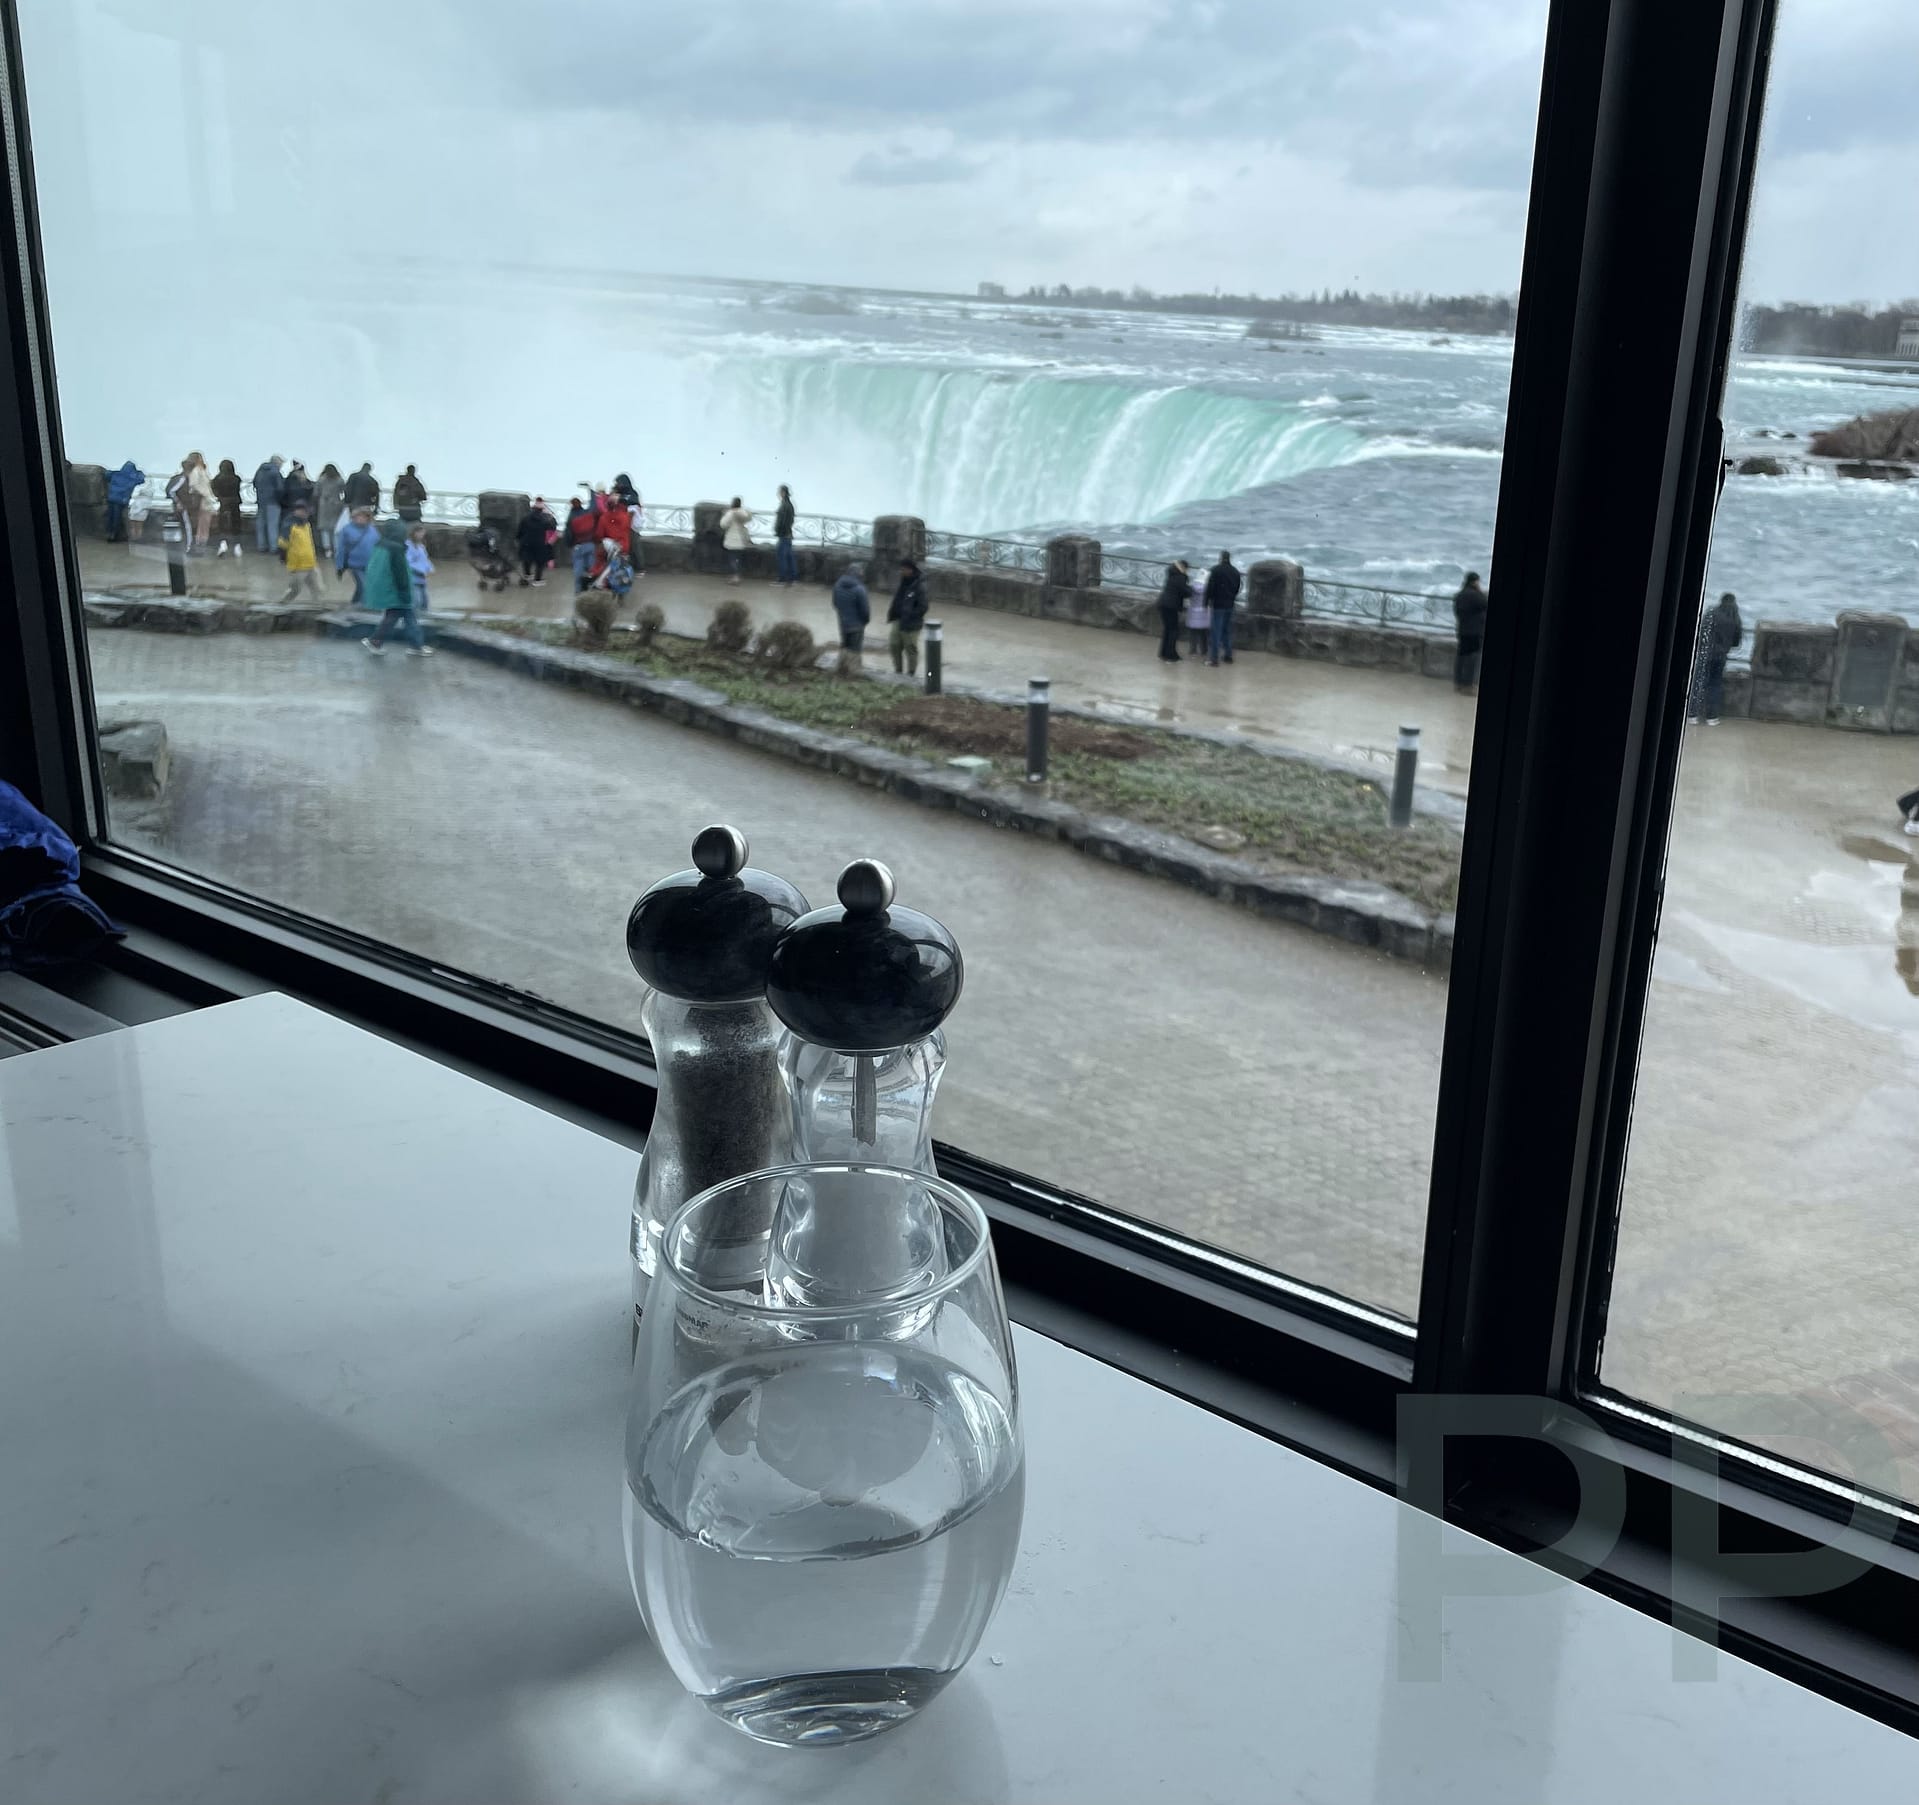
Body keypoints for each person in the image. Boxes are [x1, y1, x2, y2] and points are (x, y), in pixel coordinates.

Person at [361, 519, 430, 656]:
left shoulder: (381, 545)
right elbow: (401, 573)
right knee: (403, 616)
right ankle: (377, 641)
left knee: (398, 617)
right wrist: (405, 592)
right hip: (396, 591)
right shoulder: (396, 549)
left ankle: (378, 641)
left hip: (388, 589)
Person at [1689, 590, 1742, 725]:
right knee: (1715, 684)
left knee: (1699, 681)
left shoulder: (1712, 613)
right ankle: (1711, 717)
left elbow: (1702, 632)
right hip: (1721, 656)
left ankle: (1693, 714)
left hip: (1705, 653)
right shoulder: (1735, 618)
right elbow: (1736, 642)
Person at [887, 556, 929, 674]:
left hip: (912, 623)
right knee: (894, 644)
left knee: (910, 648)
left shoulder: (920, 586)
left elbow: (924, 606)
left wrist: (910, 614)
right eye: (901, 569)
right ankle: (898, 670)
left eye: (904, 569)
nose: (902, 571)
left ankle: (911, 673)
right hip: (898, 619)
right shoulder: (903, 581)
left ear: (911, 569)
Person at [334, 504, 380, 607]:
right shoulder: (346, 530)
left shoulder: (373, 530)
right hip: (355, 565)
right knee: (365, 587)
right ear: (353, 517)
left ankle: (354, 604)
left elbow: (378, 546)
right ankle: (363, 608)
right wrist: (339, 566)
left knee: (362, 588)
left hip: (370, 565)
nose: (362, 519)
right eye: (359, 516)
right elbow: (341, 549)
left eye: (365, 516)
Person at [1452, 571, 1489, 694]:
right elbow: (1485, 603)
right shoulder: (1475, 595)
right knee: (1472, 659)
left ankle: (1458, 683)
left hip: (1463, 630)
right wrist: (1480, 591)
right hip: (1474, 631)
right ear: (1475, 581)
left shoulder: (1460, 594)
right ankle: (1468, 685)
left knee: (1461, 657)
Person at [277, 502, 322, 602]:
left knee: (318, 588)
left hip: (311, 563)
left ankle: (318, 608)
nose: (307, 514)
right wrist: (283, 558)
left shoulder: (306, 524)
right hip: (298, 565)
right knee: (295, 589)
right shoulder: (289, 525)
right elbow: (283, 543)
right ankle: (281, 605)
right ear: (297, 511)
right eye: (304, 511)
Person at [1206, 550, 1241, 665]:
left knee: (1216, 631)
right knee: (1226, 630)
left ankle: (1214, 659)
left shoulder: (1215, 570)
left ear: (1220, 558)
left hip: (1218, 604)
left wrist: (1206, 601)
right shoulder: (1235, 572)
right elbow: (1237, 588)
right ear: (1229, 558)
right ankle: (1228, 655)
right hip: (1230, 604)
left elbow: (1210, 588)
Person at [1155, 559, 1191, 662]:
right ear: (1183, 568)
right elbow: (1185, 591)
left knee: (1167, 629)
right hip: (1171, 606)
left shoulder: (1172, 574)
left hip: (1163, 604)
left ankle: (1163, 653)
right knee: (1174, 630)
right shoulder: (1181, 577)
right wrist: (1193, 590)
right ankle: (1170, 655)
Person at [516, 496, 557, 586]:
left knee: (526, 559)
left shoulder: (525, 518)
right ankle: (537, 580)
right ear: (542, 509)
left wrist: (519, 539)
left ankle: (527, 575)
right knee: (540, 562)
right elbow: (552, 528)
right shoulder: (545, 520)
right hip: (540, 543)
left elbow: (519, 531)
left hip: (526, 542)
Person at [210, 458, 245, 558]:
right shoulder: (236, 478)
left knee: (223, 525)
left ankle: (223, 544)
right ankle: (237, 547)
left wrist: (220, 497)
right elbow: (237, 490)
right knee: (236, 524)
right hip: (235, 503)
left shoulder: (217, 479)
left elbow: (214, 490)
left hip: (223, 503)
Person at [832, 562, 870, 653]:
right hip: (857, 627)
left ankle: (843, 666)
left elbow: (835, 603)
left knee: (844, 650)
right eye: (861, 572)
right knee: (855, 654)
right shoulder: (860, 589)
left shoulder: (837, 585)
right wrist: (864, 622)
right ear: (858, 573)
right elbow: (865, 611)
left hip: (843, 625)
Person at [566, 495, 600, 593]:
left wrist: (570, 544)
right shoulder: (587, 513)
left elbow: (568, 534)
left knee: (578, 570)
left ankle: (578, 590)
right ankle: (593, 589)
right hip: (590, 544)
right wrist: (591, 492)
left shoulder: (571, 517)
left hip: (578, 546)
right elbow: (594, 506)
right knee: (592, 568)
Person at [252, 454, 285, 554]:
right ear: (277, 462)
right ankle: (273, 547)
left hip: (261, 502)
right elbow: (280, 488)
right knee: (272, 525)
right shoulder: (275, 472)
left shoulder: (260, 470)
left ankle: (261, 546)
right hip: (273, 502)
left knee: (261, 525)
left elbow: (254, 483)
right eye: (281, 463)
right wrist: (280, 500)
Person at [104, 460, 143, 541]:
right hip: (122, 500)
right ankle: (115, 535)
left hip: (111, 498)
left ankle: (110, 534)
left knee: (111, 517)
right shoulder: (133, 477)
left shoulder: (117, 474)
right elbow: (141, 479)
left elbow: (106, 475)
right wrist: (139, 472)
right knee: (117, 518)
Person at [314, 463, 346, 557]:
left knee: (324, 529)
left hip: (323, 505)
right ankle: (336, 549)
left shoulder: (321, 480)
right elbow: (345, 492)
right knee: (335, 529)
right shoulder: (339, 480)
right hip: (336, 505)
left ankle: (327, 549)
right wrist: (341, 503)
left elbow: (316, 493)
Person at [185, 452, 215, 552]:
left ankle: (202, 540)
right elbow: (194, 485)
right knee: (203, 521)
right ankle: (201, 541)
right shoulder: (196, 471)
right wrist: (205, 494)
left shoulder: (202, 470)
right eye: (200, 458)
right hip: (203, 500)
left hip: (207, 499)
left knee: (205, 522)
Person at [719, 496, 753, 584]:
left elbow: (723, 524)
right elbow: (748, 517)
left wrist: (724, 514)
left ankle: (735, 577)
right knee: (739, 559)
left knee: (732, 559)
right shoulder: (743, 512)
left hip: (732, 540)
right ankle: (737, 575)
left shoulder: (730, 513)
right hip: (742, 539)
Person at [596, 536, 635, 605]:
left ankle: (612, 604)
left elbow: (607, 571)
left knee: (613, 588)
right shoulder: (621, 555)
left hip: (618, 581)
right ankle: (621, 601)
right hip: (627, 580)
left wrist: (599, 581)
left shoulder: (613, 559)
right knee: (620, 590)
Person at [773, 483, 798, 587]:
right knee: (788, 557)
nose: (778, 494)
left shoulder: (785, 505)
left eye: (779, 492)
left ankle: (783, 579)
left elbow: (784, 521)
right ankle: (791, 578)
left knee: (782, 557)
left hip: (784, 534)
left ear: (783, 493)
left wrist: (779, 531)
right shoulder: (788, 504)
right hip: (787, 534)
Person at [1185, 567, 1211, 657]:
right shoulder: (1208, 587)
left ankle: (1193, 650)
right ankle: (1204, 650)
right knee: (1203, 633)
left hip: (1193, 610)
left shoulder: (1192, 586)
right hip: (1204, 611)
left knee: (1193, 632)